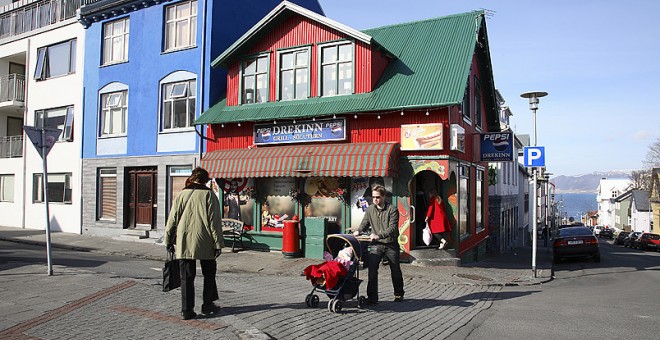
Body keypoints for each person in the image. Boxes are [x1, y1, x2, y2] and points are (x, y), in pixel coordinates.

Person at [165, 167, 224, 320]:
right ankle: (208, 304)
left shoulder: (182, 194)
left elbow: (172, 219)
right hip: (205, 241)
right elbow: (214, 222)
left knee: (186, 276)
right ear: (205, 180)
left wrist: (168, 240)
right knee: (209, 273)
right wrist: (218, 243)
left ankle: (186, 310)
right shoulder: (209, 195)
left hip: (184, 241)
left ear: (192, 178)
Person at [353, 185, 404, 304]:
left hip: (390, 244)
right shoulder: (370, 209)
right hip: (376, 245)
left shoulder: (392, 209)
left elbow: (392, 228)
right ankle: (372, 297)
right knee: (372, 269)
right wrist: (358, 231)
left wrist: (379, 235)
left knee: (395, 269)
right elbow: (364, 223)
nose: (375, 199)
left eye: (377, 197)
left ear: (384, 196)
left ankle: (399, 294)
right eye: (373, 197)